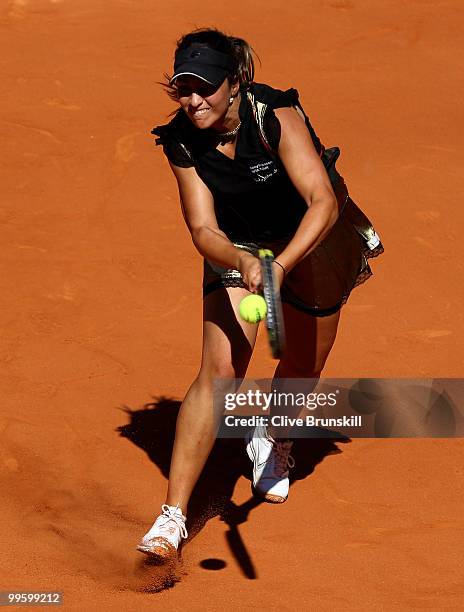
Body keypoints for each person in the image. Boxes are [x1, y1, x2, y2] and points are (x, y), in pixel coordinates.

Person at [136, 28, 383, 559]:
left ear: (235, 82)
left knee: (302, 360)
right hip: (241, 242)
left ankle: (273, 436)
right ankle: (172, 516)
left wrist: (281, 265)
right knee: (220, 371)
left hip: (312, 236)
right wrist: (246, 261)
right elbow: (203, 230)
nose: (193, 100)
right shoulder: (181, 140)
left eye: (204, 87)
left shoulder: (274, 115)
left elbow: (321, 199)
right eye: (183, 88)